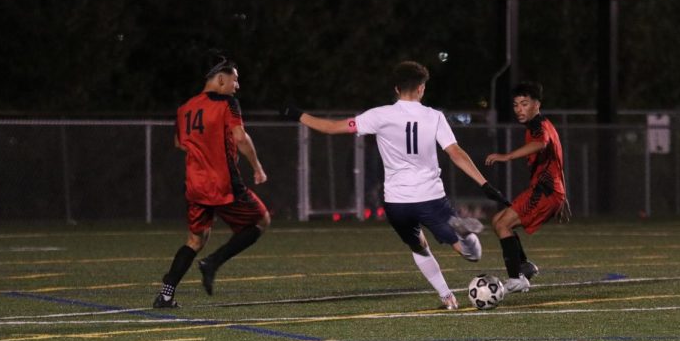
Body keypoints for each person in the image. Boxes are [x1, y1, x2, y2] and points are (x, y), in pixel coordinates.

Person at [283, 61, 509, 310]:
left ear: (396, 88)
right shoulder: (434, 117)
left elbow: (330, 128)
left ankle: (446, 296)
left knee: (419, 247)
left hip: (396, 202)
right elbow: (455, 153)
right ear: (421, 88)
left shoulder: (379, 115)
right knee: (472, 255)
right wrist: (485, 184)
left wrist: (297, 114)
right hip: (430, 198)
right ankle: (464, 233)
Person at [153, 54, 270, 308]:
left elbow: (179, 143)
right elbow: (240, 137)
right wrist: (258, 168)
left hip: (195, 185)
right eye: (235, 79)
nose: (237, 85)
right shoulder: (227, 104)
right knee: (261, 220)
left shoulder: (185, 108)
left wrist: (202, 151)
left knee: (195, 240)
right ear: (220, 78)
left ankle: (165, 294)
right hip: (222, 183)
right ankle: (212, 262)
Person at [485, 81, 571, 294]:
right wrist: (564, 196)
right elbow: (556, 159)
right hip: (549, 191)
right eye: (516, 105)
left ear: (537, 105)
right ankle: (523, 266)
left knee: (503, 224)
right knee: (497, 221)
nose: (519, 109)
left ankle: (516, 279)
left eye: (524, 104)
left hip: (545, 192)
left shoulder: (539, 126)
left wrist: (506, 156)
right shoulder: (544, 124)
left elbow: (541, 144)